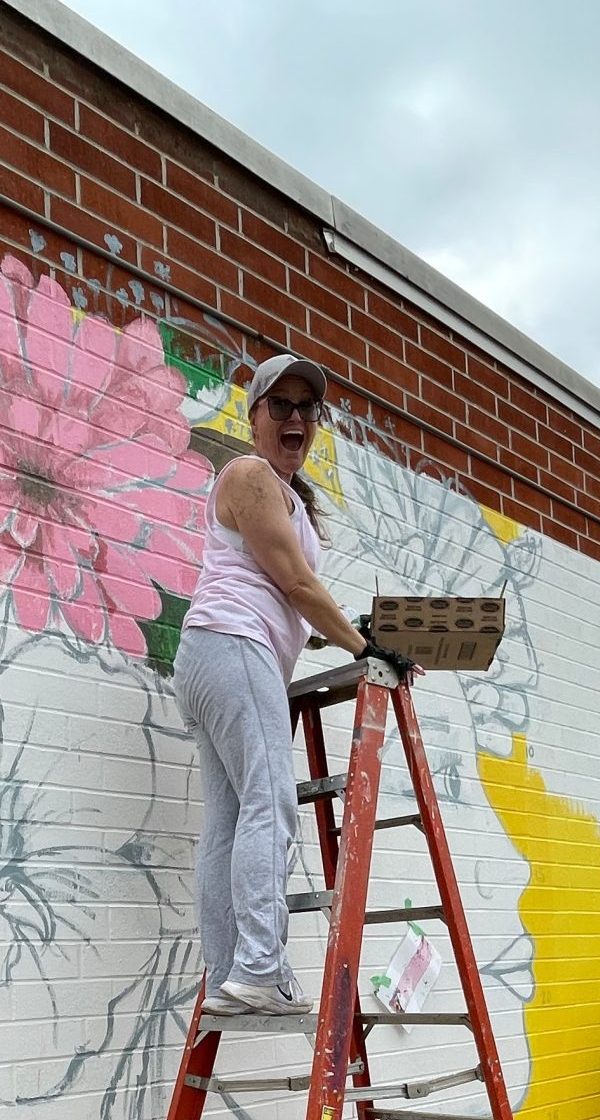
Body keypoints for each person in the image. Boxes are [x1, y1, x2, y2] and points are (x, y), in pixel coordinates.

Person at [179, 353, 414, 1015]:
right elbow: (297, 585)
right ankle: (258, 967)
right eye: (279, 405)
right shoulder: (251, 474)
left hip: (218, 652)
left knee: (228, 819)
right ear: (253, 416)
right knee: (271, 804)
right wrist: (367, 647)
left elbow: (295, 599)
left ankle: (230, 974)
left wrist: (345, 629)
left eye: (307, 409)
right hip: (234, 647)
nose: (295, 418)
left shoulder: (281, 495)